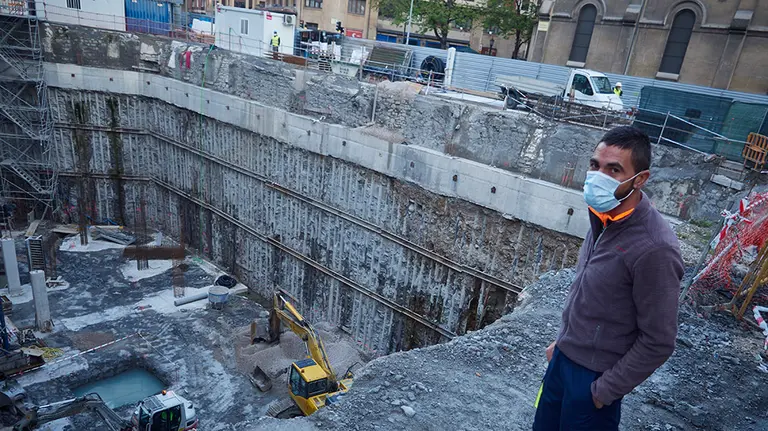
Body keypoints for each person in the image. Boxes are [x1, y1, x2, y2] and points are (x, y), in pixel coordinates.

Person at [532, 126, 684, 431]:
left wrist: (603, 392)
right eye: (595, 165)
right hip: (561, 363)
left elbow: (659, 341)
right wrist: (562, 343)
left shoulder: (655, 248)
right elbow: (590, 295)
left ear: (640, 179)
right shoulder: (603, 218)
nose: (597, 176)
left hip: (594, 381)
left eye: (613, 169)